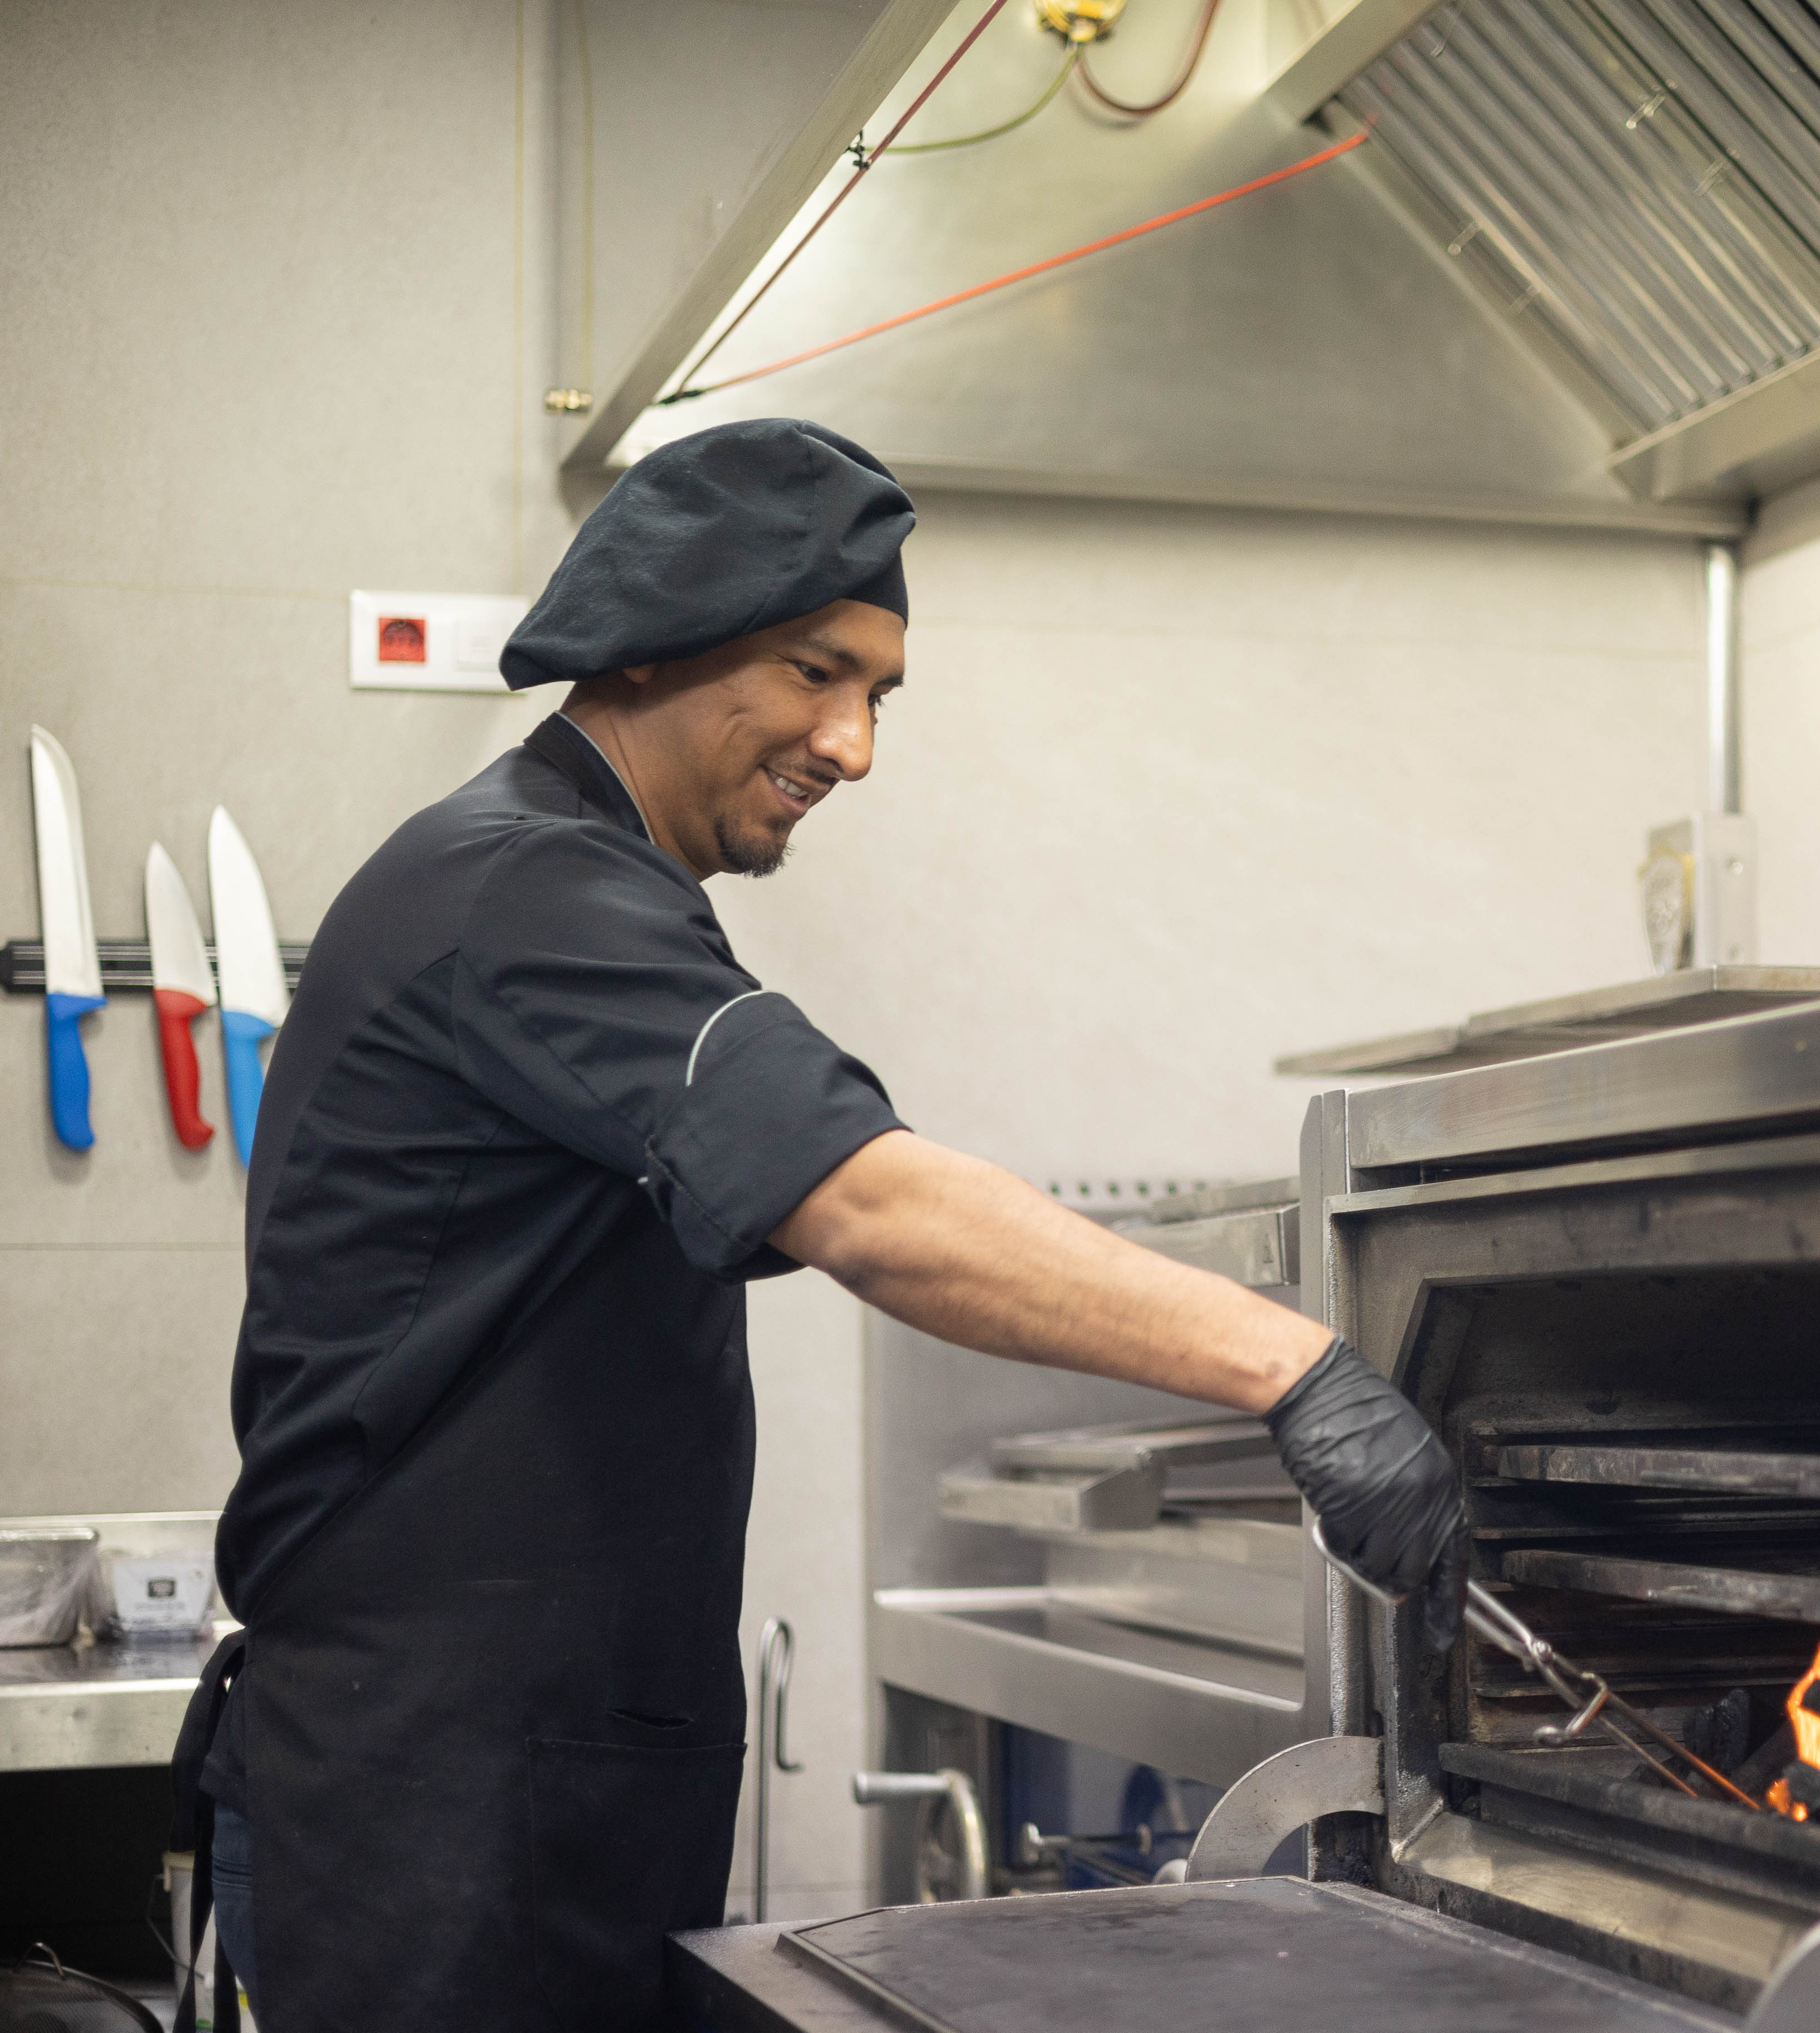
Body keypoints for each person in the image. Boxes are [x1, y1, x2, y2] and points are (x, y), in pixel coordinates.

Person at [170, 419, 1466, 2031]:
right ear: (652, 647)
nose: (853, 746)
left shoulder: (572, 889)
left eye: (878, 696)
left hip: (498, 1792)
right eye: (813, 672)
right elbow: (871, 1200)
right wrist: (1300, 1372)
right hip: (441, 1818)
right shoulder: (529, 899)